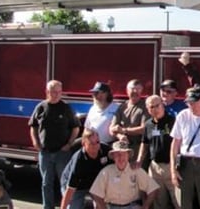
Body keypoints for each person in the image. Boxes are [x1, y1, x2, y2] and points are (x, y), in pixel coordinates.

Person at [29, 80, 80, 209]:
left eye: (58, 92)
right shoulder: (41, 107)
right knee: (46, 183)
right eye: (53, 92)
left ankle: (67, 207)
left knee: (65, 183)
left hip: (62, 152)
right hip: (45, 152)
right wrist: (35, 141)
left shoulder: (66, 108)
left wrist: (69, 144)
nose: (56, 94)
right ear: (47, 92)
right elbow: (33, 126)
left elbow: (75, 128)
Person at [136, 95, 179, 209]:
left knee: (179, 202)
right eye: (152, 107)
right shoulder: (148, 124)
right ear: (148, 109)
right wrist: (139, 159)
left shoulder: (173, 121)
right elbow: (144, 143)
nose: (155, 109)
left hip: (172, 166)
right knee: (159, 203)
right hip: (155, 168)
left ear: (163, 105)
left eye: (157, 105)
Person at [90, 140, 159, 209]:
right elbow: (95, 193)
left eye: (123, 154)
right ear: (113, 157)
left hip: (133, 206)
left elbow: (153, 188)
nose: (120, 157)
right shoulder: (106, 172)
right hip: (111, 206)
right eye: (117, 154)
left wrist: (145, 206)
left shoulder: (136, 170)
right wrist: (103, 207)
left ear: (128, 155)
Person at [60, 129, 112, 209]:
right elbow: (70, 190)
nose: (95, 146)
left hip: (95, 184)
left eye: (97, 142)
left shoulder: (106, 150)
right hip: (76, 186)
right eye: (91, 143)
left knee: (104, 206)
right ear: (84, 144)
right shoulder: (79, 160)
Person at [110, 79, 148, 162]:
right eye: (132, 89)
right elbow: (112, 128)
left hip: (137, 149)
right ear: (127, 91)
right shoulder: (122, 107)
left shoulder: (145, 107)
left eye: (138, 89)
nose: (135, 91)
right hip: (121, 149)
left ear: (141, 91)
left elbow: (144, 129)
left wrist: (124, 130)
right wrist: (120, 136)